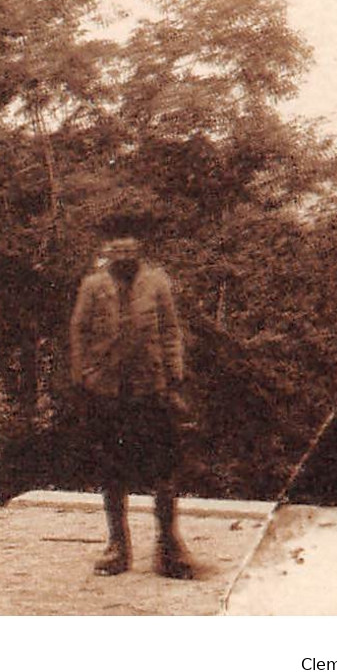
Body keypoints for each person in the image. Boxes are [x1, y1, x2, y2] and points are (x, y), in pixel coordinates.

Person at [69, 216, 196, 579]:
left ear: (139, 247)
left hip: (150, 390)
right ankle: (117, 546)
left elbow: (171, 331)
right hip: (108, 393)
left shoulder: (157, 283)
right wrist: (85, 377)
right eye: (116, 245)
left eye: (130, 243)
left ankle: (169, 546)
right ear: (108, 250)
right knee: (111, 471)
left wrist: (173, 376)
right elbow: (79, 333)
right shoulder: (93, 286)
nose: (123, 250)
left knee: (164, 472)